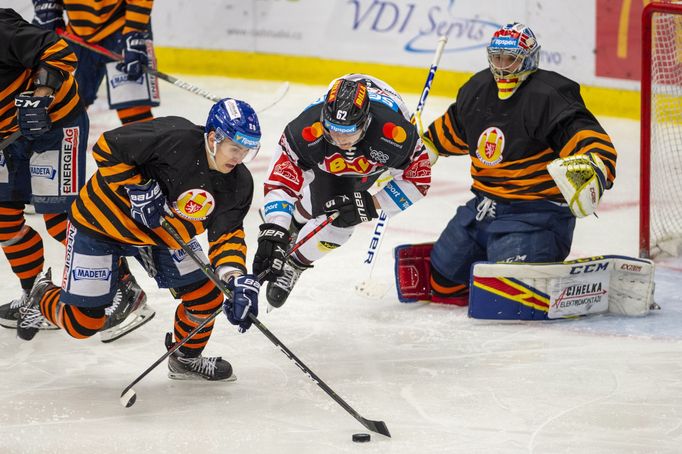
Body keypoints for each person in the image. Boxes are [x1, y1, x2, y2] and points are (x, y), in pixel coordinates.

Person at [17, 98, 262, 381]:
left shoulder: (238, 183)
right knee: (82, 323)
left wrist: (235, 278)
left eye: (246, 151)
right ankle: (41, 297)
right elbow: (107, 147)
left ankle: (185, 359)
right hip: (102, 224)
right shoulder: (174, 137)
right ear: (212, 138)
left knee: (206, 297)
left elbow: (227, 235)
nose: (239, 158)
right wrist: (138, 185)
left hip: (160, 235)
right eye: (235, 148)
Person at [401, 22, 617, 305]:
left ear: (528, 58)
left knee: (512, 295)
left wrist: (593, 166)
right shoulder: (477, 88)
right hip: (483, 209)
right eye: (497, 57)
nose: (502, 66)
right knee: (443, 278)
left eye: (511, 59)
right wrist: (420, 147)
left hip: (535, 215)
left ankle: (535, 272)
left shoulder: (548, 95)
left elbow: (584, 136)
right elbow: (453, 130)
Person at [0, 9, 151, 341]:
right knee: (3, 220)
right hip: (7, 137)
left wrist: (40, 98)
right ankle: (35, 297)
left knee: (59, 218)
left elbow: (59, 51)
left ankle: (124, 288)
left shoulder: (1, 30)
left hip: (55, 122)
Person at [254, 74, 432, 309]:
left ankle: (295, 263)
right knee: (314, 198)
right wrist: (275, 228)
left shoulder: (394, 136)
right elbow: (281, 182)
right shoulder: (305, 129)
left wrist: (371, 203)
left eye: (348, 132)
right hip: (330, 160)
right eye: (333, 130)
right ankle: (292, 226)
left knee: (341, 223)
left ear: (366, 123)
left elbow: (418, 179)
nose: (340, 140)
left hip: (370, 160)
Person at [30, 0, 159, 125]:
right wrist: (46, 7)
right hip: (78, 30)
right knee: (67, 107)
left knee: (134, 112)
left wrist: (135, 31)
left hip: (124, 25)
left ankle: (144, 145)